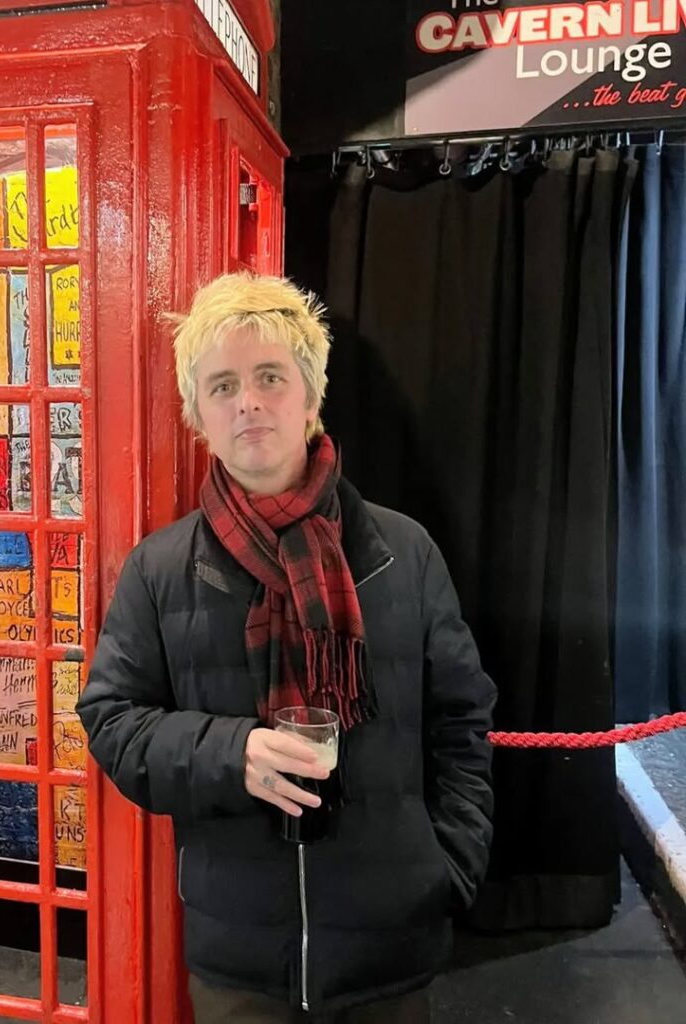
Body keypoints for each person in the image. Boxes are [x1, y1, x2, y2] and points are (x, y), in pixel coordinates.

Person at [75, 272, 496, 1023]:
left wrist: (448, 868)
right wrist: (233, 752)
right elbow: (111, 720)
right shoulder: (159, 568)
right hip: (241, 959)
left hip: (389, 946)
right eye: (223, 385)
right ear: (197, 414)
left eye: (271, 376)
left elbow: (462, 721)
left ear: (310, 394)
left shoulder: (403, 551)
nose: (249, 402)